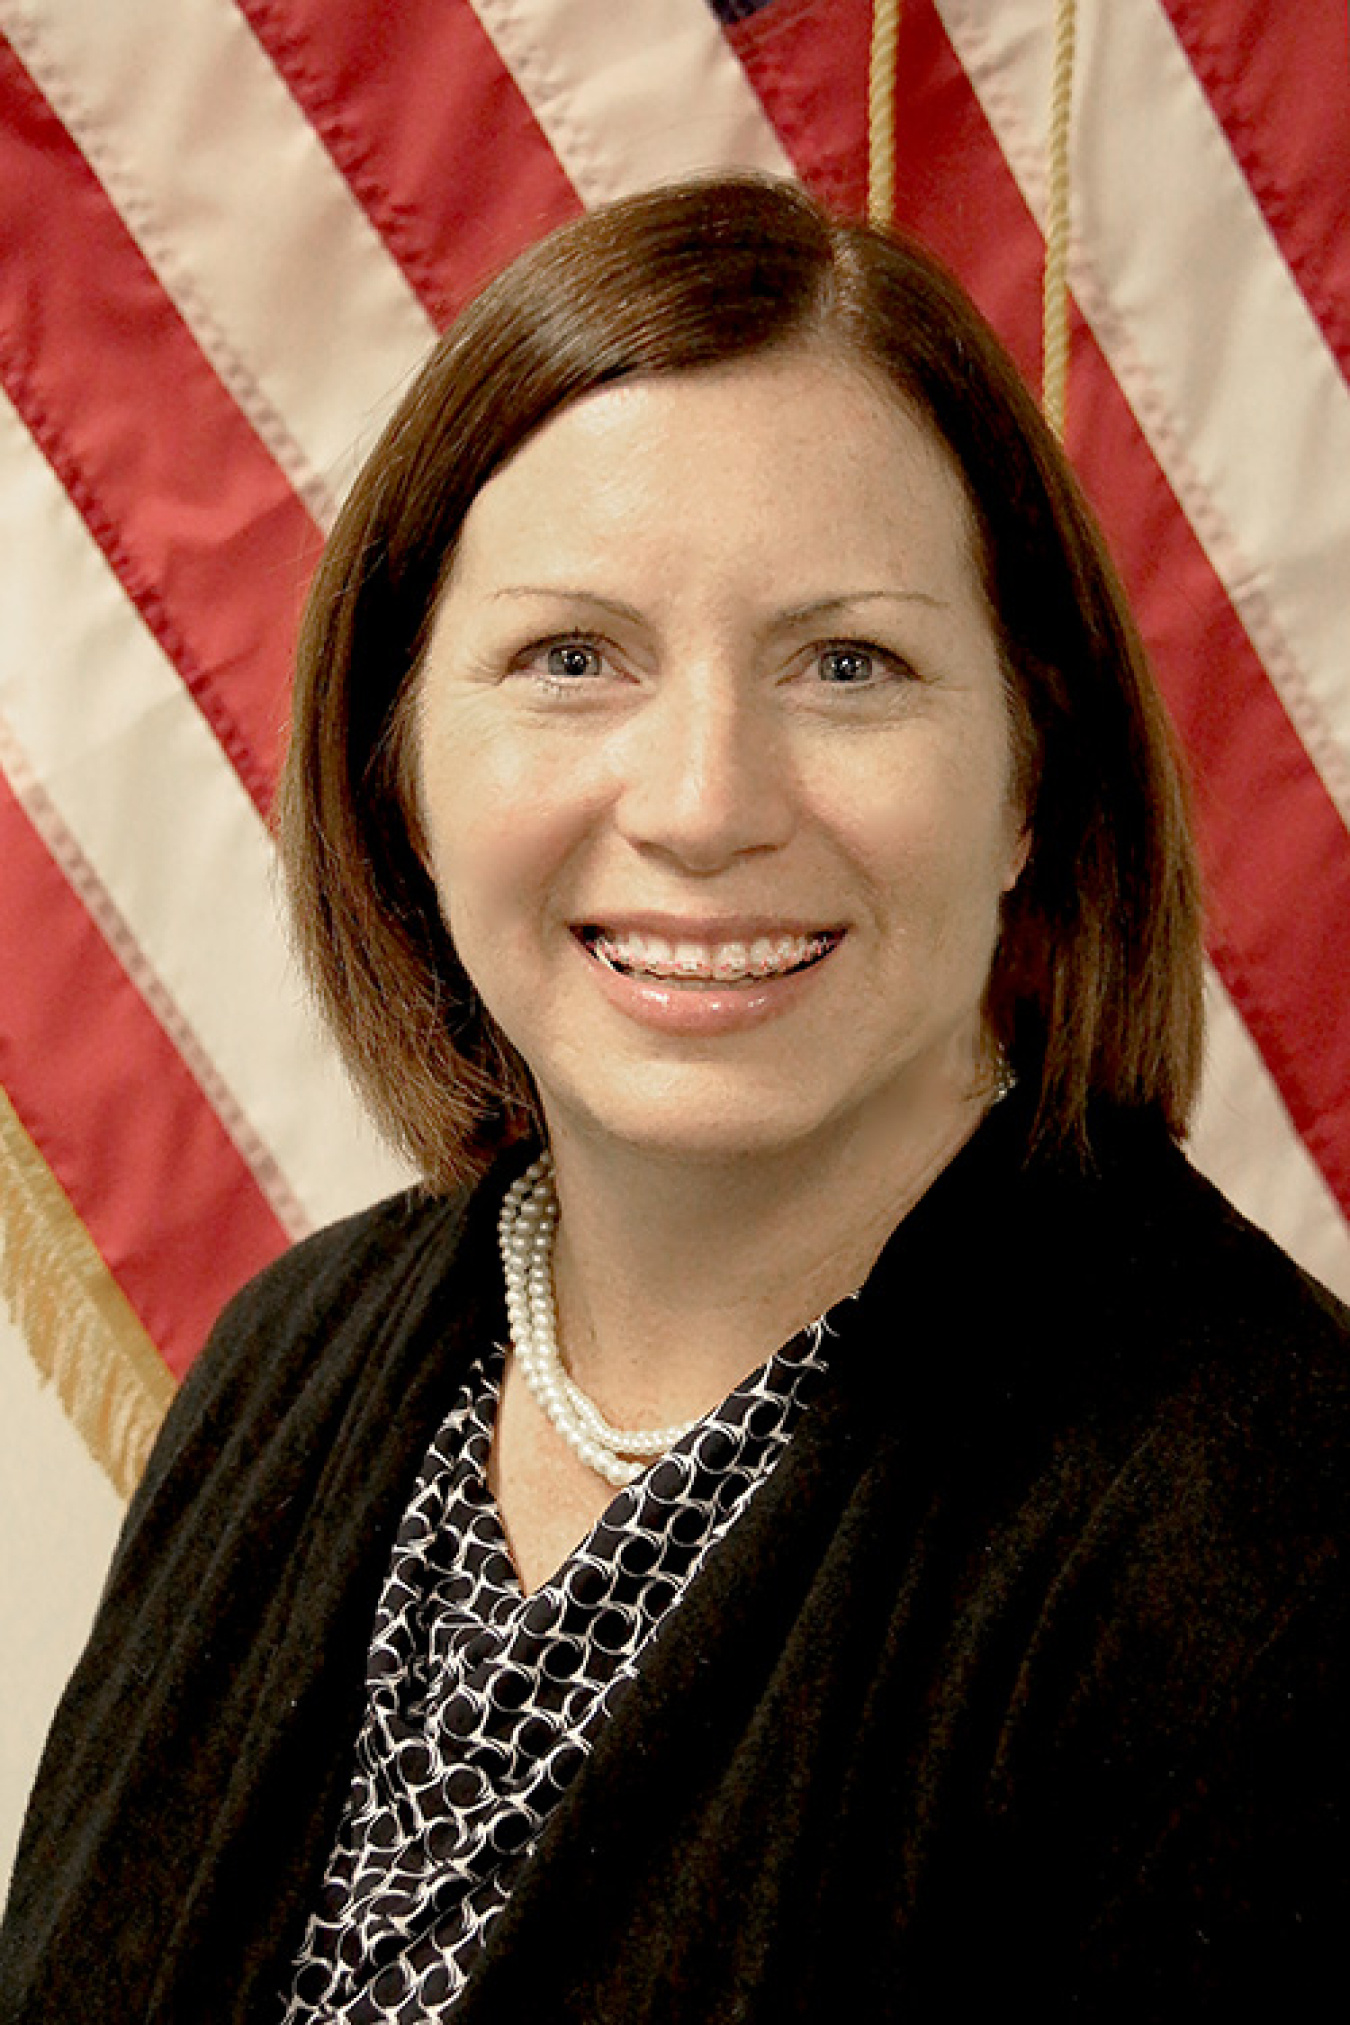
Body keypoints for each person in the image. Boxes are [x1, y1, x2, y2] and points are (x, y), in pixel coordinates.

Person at [2, 175, 1347, 2022]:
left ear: (1032, 776)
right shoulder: (294, 1359)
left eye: (848, 665)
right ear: (400, 751)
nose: (705, 801)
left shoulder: (1262, 1537)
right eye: (573, 659)